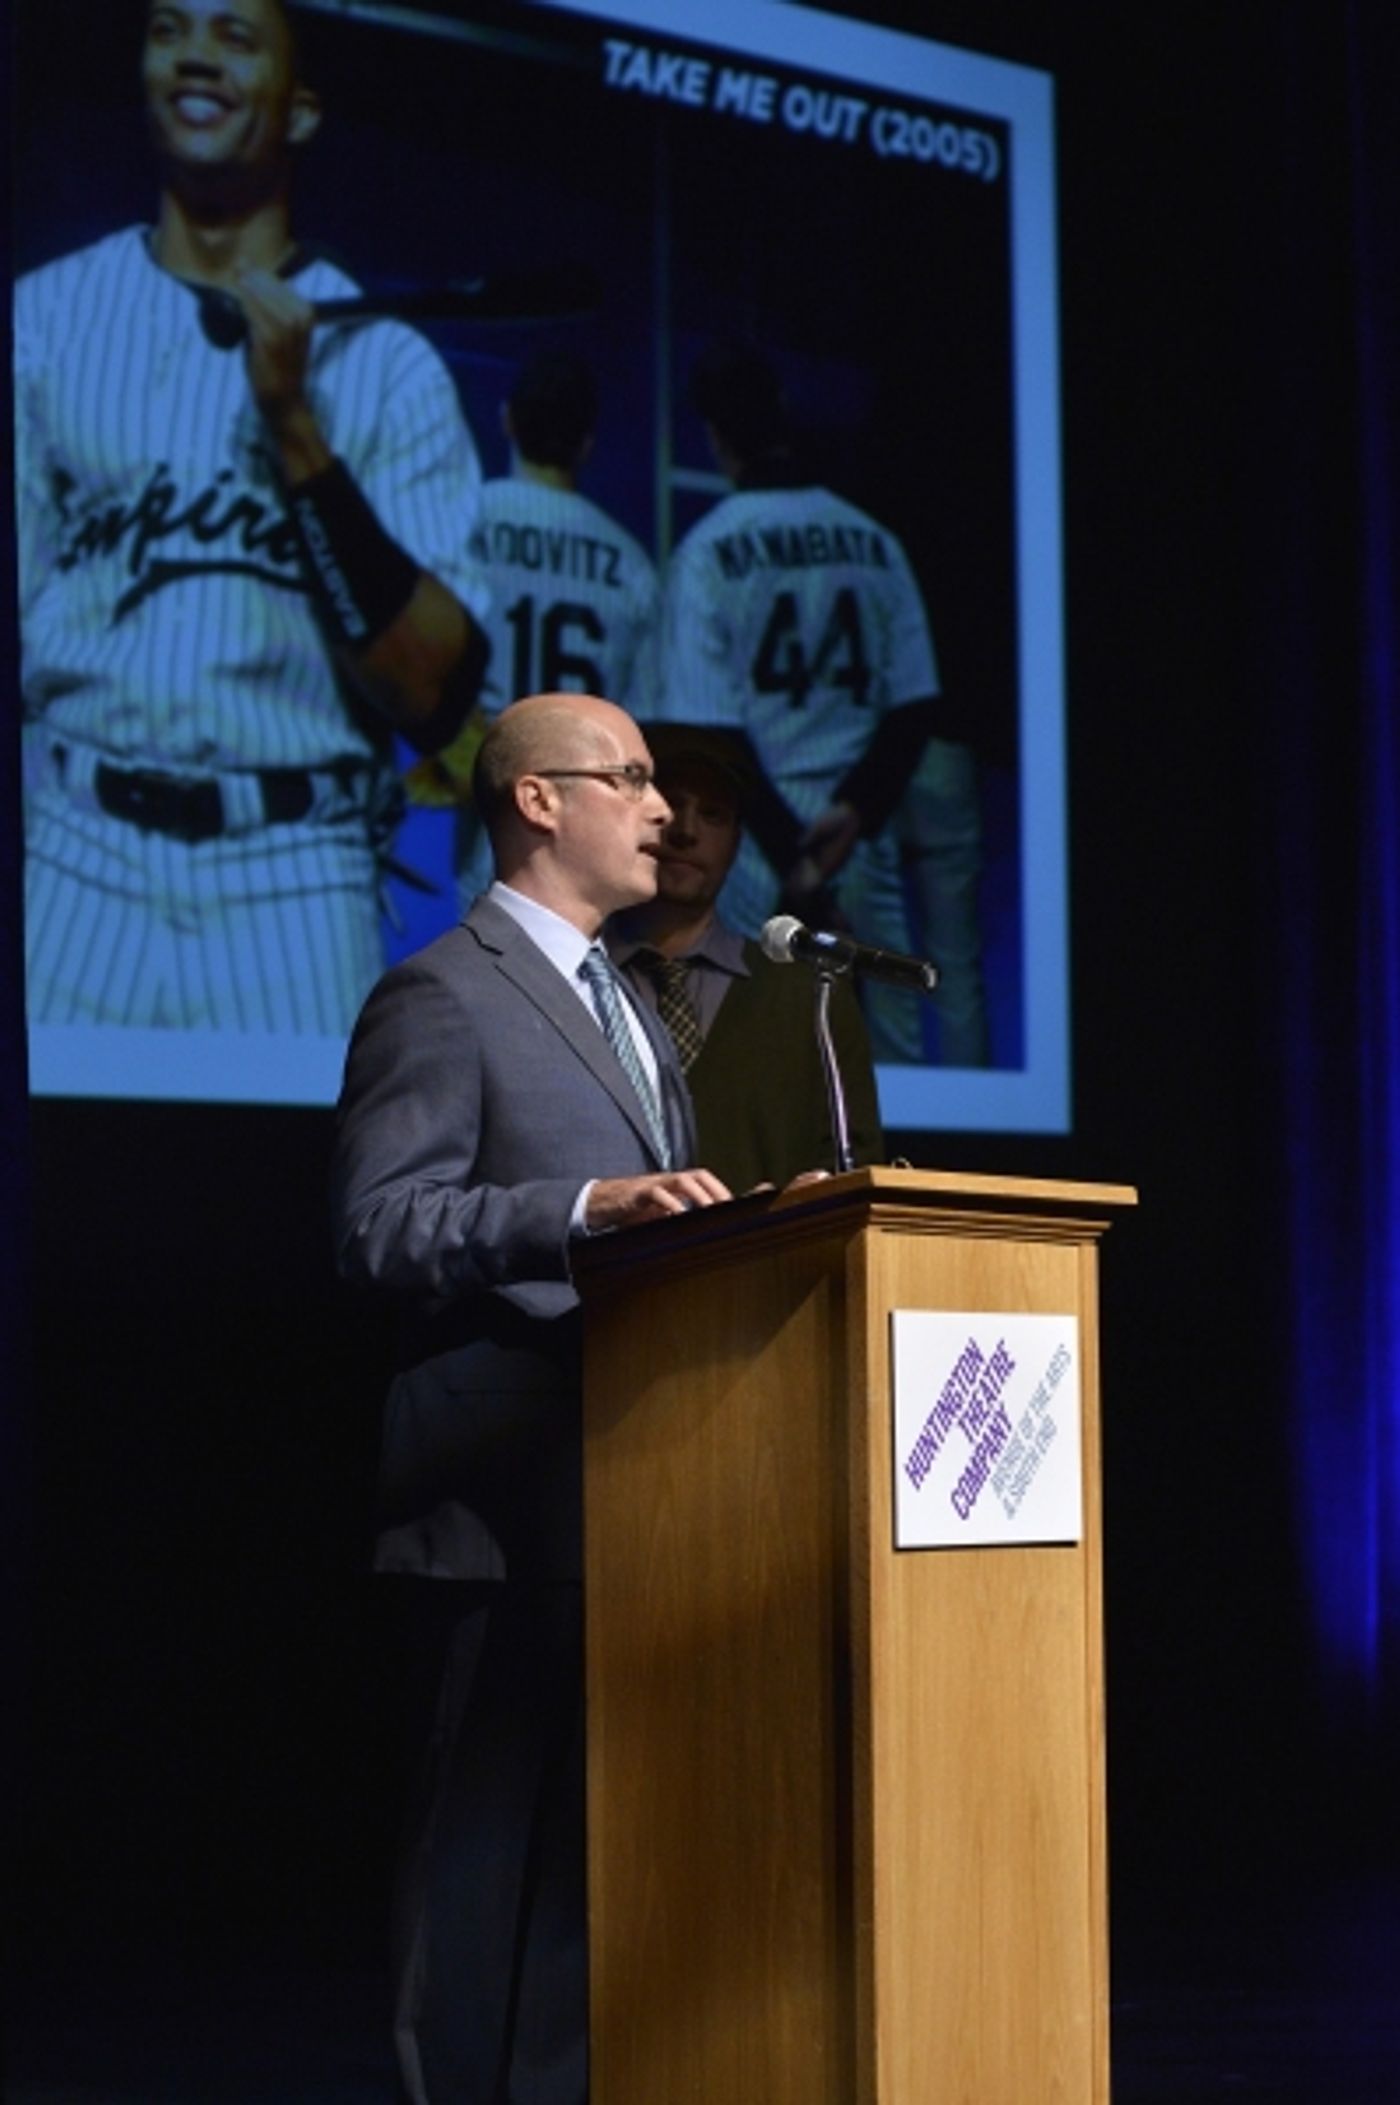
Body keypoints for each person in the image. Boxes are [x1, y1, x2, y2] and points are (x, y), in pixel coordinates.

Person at [331, 691, 731, 2104]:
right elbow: (379, 1225)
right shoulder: (442, 990)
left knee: (583, 1880)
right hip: (495, 1503)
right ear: (539, 801)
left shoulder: (634, 1000)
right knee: (476, 1871)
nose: (663, 809)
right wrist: (579, 1205)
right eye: (628, 778)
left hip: (626, 1490)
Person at [15, 0, 489, 1036]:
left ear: (302, 108)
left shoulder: (386, 363)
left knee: (291, 1194)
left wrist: (295, 432)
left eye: (236, 37)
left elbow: (432, 692)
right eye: (170, 29)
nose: (195, 56)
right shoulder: (45, 318)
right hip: (73, 854)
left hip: (297, 873)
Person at [657, 338, 989, 1064]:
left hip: (755, 852)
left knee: (752, 1063)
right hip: (858, 841)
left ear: (716, 438)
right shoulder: (872, 540)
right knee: (893, 1065)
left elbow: (710, 733)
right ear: (782, 418)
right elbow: (912, 709)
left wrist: (796, 863)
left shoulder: (708, 550)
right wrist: (856, 810)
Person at [405, 348, 660, 908]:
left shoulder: (466, 519)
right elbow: (646, 721)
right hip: (591, 801)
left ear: (507, 421)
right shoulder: (631, 561)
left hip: (487, 781)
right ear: (587, 442)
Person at [609, 726, 884, 1192]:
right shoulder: (571, 976)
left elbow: (855, 1175)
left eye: (713, 814)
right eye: (670, 804)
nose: (686, 831)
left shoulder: (808, 995)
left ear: (737, 842)